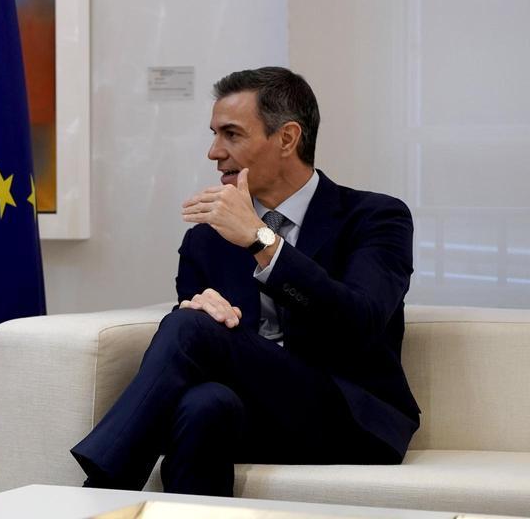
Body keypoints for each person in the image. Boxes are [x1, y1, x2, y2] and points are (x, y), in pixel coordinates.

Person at [71, 67, 420, 496]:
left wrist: (260, 240)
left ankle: (99, 489)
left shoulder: (375, 217)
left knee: (192, 330)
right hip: (251, 413)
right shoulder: (206, 237)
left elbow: (361, 320)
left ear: (287, 138)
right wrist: (199, 311)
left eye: (231, 135)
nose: (214, 152)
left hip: (346, 416)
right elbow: (197, 345)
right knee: (204, 403)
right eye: (214, 134)